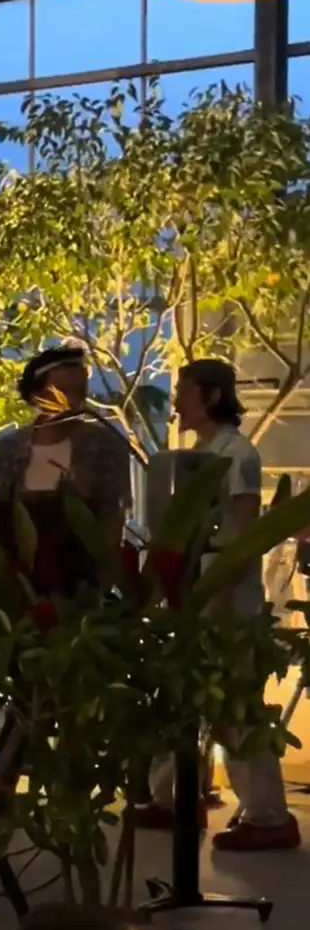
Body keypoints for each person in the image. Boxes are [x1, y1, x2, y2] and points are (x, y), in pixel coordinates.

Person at [138, 359, 300, 851]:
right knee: (181, 698)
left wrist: (224, 595)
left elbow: (242, 534)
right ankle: (173, 799)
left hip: (224, 597)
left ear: (211, 397)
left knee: (235, 708)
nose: (177, 403)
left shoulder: (237, 453)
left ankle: (268, 816)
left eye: (185, 392)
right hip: (189, 595)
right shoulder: (193, 456)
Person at [0, 344, 135, 547]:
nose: (71, 402)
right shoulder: (6, 451)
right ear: (36, 395)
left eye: (79, 392)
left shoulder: (105, 447)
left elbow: (115, 516)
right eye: (62, 391)